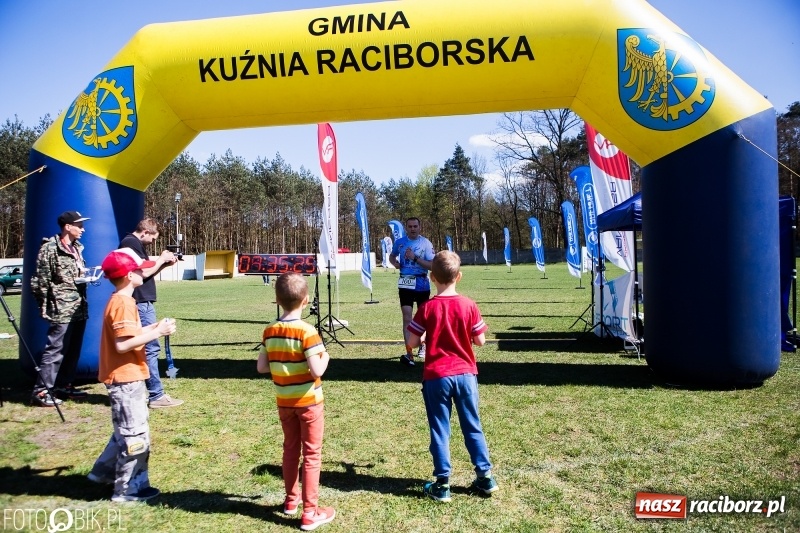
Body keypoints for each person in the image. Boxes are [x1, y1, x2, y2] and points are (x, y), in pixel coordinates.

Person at [407, 250, 498, 502]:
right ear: (459, 276)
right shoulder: (469, 305)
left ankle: (443, 483)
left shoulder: (427, 308)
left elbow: (412, 342)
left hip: (436, 376)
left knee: (440, 429)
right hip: (466, 374)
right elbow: (480, 341)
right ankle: (485, 476)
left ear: (432, 277)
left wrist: (426, 336)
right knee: (473, 426)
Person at [87, 248, 176, 502]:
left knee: (124, 431)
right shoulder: (124, 303)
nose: (143, 272)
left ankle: (102, 473)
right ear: (127, 276)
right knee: (134, 436)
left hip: (127, 377)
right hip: (126, 379)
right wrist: (158, 333)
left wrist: (155, 327)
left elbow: (131, 334)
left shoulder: (121, 300)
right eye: (138, 270)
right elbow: (123, 345)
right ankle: (127, 490)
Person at [257, 273, 336, 531]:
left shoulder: (269, 331)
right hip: (309, 402)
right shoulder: (308, 332)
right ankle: (310, 512)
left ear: (277, 300)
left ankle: (291, 502)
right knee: (312, 454)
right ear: (306, 301)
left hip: (284, 402)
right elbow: (317, 370)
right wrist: (326, 357)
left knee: (290, 450)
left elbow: (261, 367)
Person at [29, 211, 91, 407]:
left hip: (79, 306)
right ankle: (41, 391)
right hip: (61, 307)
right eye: (79, 225)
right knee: (55, 349)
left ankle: (64, 384)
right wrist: (45, 306)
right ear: (67, 226)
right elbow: (40, 282)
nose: (83, 229)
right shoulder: (49, 248)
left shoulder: (77, 248)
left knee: (73, 349)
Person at [119, 219, 183, 408]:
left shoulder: (133, 243)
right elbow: (142, 274)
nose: (153, 242)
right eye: (153, 238)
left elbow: (146, 272)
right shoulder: (131, 243)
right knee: (150, 347)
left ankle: (148, 393)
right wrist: (160, 260)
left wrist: (163, 265)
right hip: (141, 301)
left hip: (143, 300)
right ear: (145, 231)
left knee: (147, 347)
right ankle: (156, 395)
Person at [389, 217, 435, 366]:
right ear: (406, 228)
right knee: (407, 318)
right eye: (410, 226)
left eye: (415, 226)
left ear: (419, 227)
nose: (413, 229)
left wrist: (414, 258)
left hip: (422, 283)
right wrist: (394, 263)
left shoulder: (426, 243)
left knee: (422, 319)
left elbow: (432, 266)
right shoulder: (400, 242)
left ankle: (423, 345)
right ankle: (409, 353)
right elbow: (392, 255)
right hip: (405, 283)